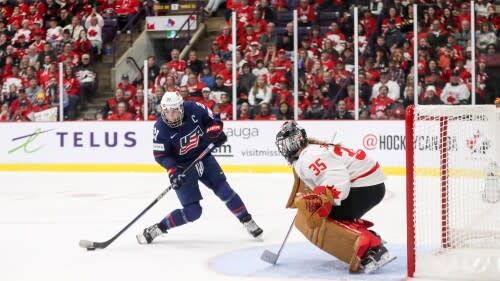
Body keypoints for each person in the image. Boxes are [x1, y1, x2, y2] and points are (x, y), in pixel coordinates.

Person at [137, 92, 263, 244]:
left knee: (224, 190)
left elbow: (213, 121)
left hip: (203, 157)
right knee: (193, 212)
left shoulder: (194, 108)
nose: (171, 115)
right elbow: (161, 155)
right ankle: (159, 227)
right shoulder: (160, 128)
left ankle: (246, 220)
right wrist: (173, 172)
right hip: (182, 167)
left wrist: (214, 133)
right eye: (167, 111)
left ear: (181, 108)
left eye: (175, 110)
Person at [274, 121, 394, 273]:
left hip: (366, 187)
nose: (284, 149)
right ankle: (362, 233)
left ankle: (372, 247)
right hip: (369, 185)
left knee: (328, 215)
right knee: (325, 211)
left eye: (285, 145)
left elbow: (336, 178)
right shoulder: (308, 154)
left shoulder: (308, 157)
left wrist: (323, 203)